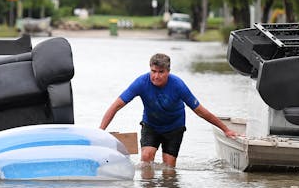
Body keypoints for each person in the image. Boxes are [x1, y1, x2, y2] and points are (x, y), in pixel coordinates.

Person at [99, 53, 237, 168]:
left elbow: (200, 111)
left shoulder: (178, 85)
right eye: (153, 71)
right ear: (150, 69)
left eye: (161, 72)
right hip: (151, 125)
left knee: (169, 168)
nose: (156, 76)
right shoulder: (141, 82)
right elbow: (116, 105)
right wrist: (101, 130)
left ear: (168, 72)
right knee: (146, 159)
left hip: (174, 127)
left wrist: (225, 129)